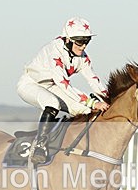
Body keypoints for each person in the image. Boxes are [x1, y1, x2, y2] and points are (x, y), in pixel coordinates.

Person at [16, 16, 110, 164]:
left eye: (86, 41)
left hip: (52, 86)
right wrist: (92, 102)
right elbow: (64, 85)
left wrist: (109, 98)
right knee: (53, 103)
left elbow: (93, 80)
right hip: (31, 84)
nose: (83, 46)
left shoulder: (83, 58)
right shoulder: (54, 52)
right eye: (79, 41)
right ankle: (40, 146)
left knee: (85, 111)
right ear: (67, 39)